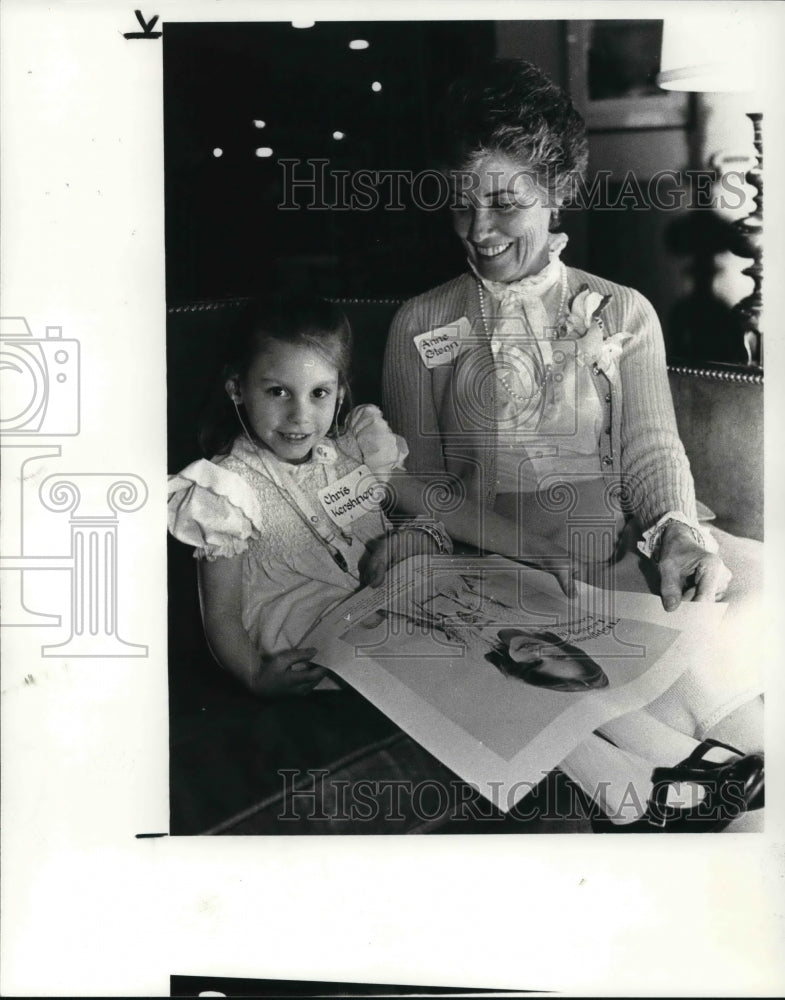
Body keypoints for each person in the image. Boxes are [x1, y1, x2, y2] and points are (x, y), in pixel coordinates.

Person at [381, 59, 764, 830]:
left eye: (502, 201)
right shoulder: (417, 324)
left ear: (557, 190)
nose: (477, 230)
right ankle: (662, 800)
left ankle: (727, 792)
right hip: (499, 568)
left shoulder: (622, 312)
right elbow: (412, 483)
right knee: (545, 683)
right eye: (459, 203)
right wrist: (426, 566)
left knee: (735, 663)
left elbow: (653, 449)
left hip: (612, 549)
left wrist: (680, 533)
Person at [168, 293, 449, 697]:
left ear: (339, 392)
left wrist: (420, 539)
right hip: (316, 664)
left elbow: (438, 513)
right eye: (278, 392)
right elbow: (222, 617)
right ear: (238, 389)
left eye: (318, 393)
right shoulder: (226, 491)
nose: (299, 417)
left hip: (395, 631)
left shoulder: (356, 450)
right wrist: (255, 676)